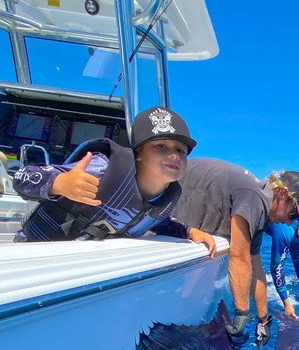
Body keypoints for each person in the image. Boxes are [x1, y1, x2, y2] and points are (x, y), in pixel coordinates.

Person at [11, 106, 215, 254]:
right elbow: (22, 177)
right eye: (161, 146)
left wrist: (189, 231)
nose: (174, 155)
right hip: (35, 253)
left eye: (181, 150)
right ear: (138, 154)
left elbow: (156, 223)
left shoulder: (164, 199)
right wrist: (58, 183)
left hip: (81, 267)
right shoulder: (102, 168)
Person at [171, 161, 299, 346]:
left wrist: (263, 319)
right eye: (293, 215)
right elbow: (238, 256)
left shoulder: (261, 212)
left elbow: (254, 265)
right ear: (281, 194)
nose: (289, 223)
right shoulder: (255, 198)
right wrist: (242, 314)